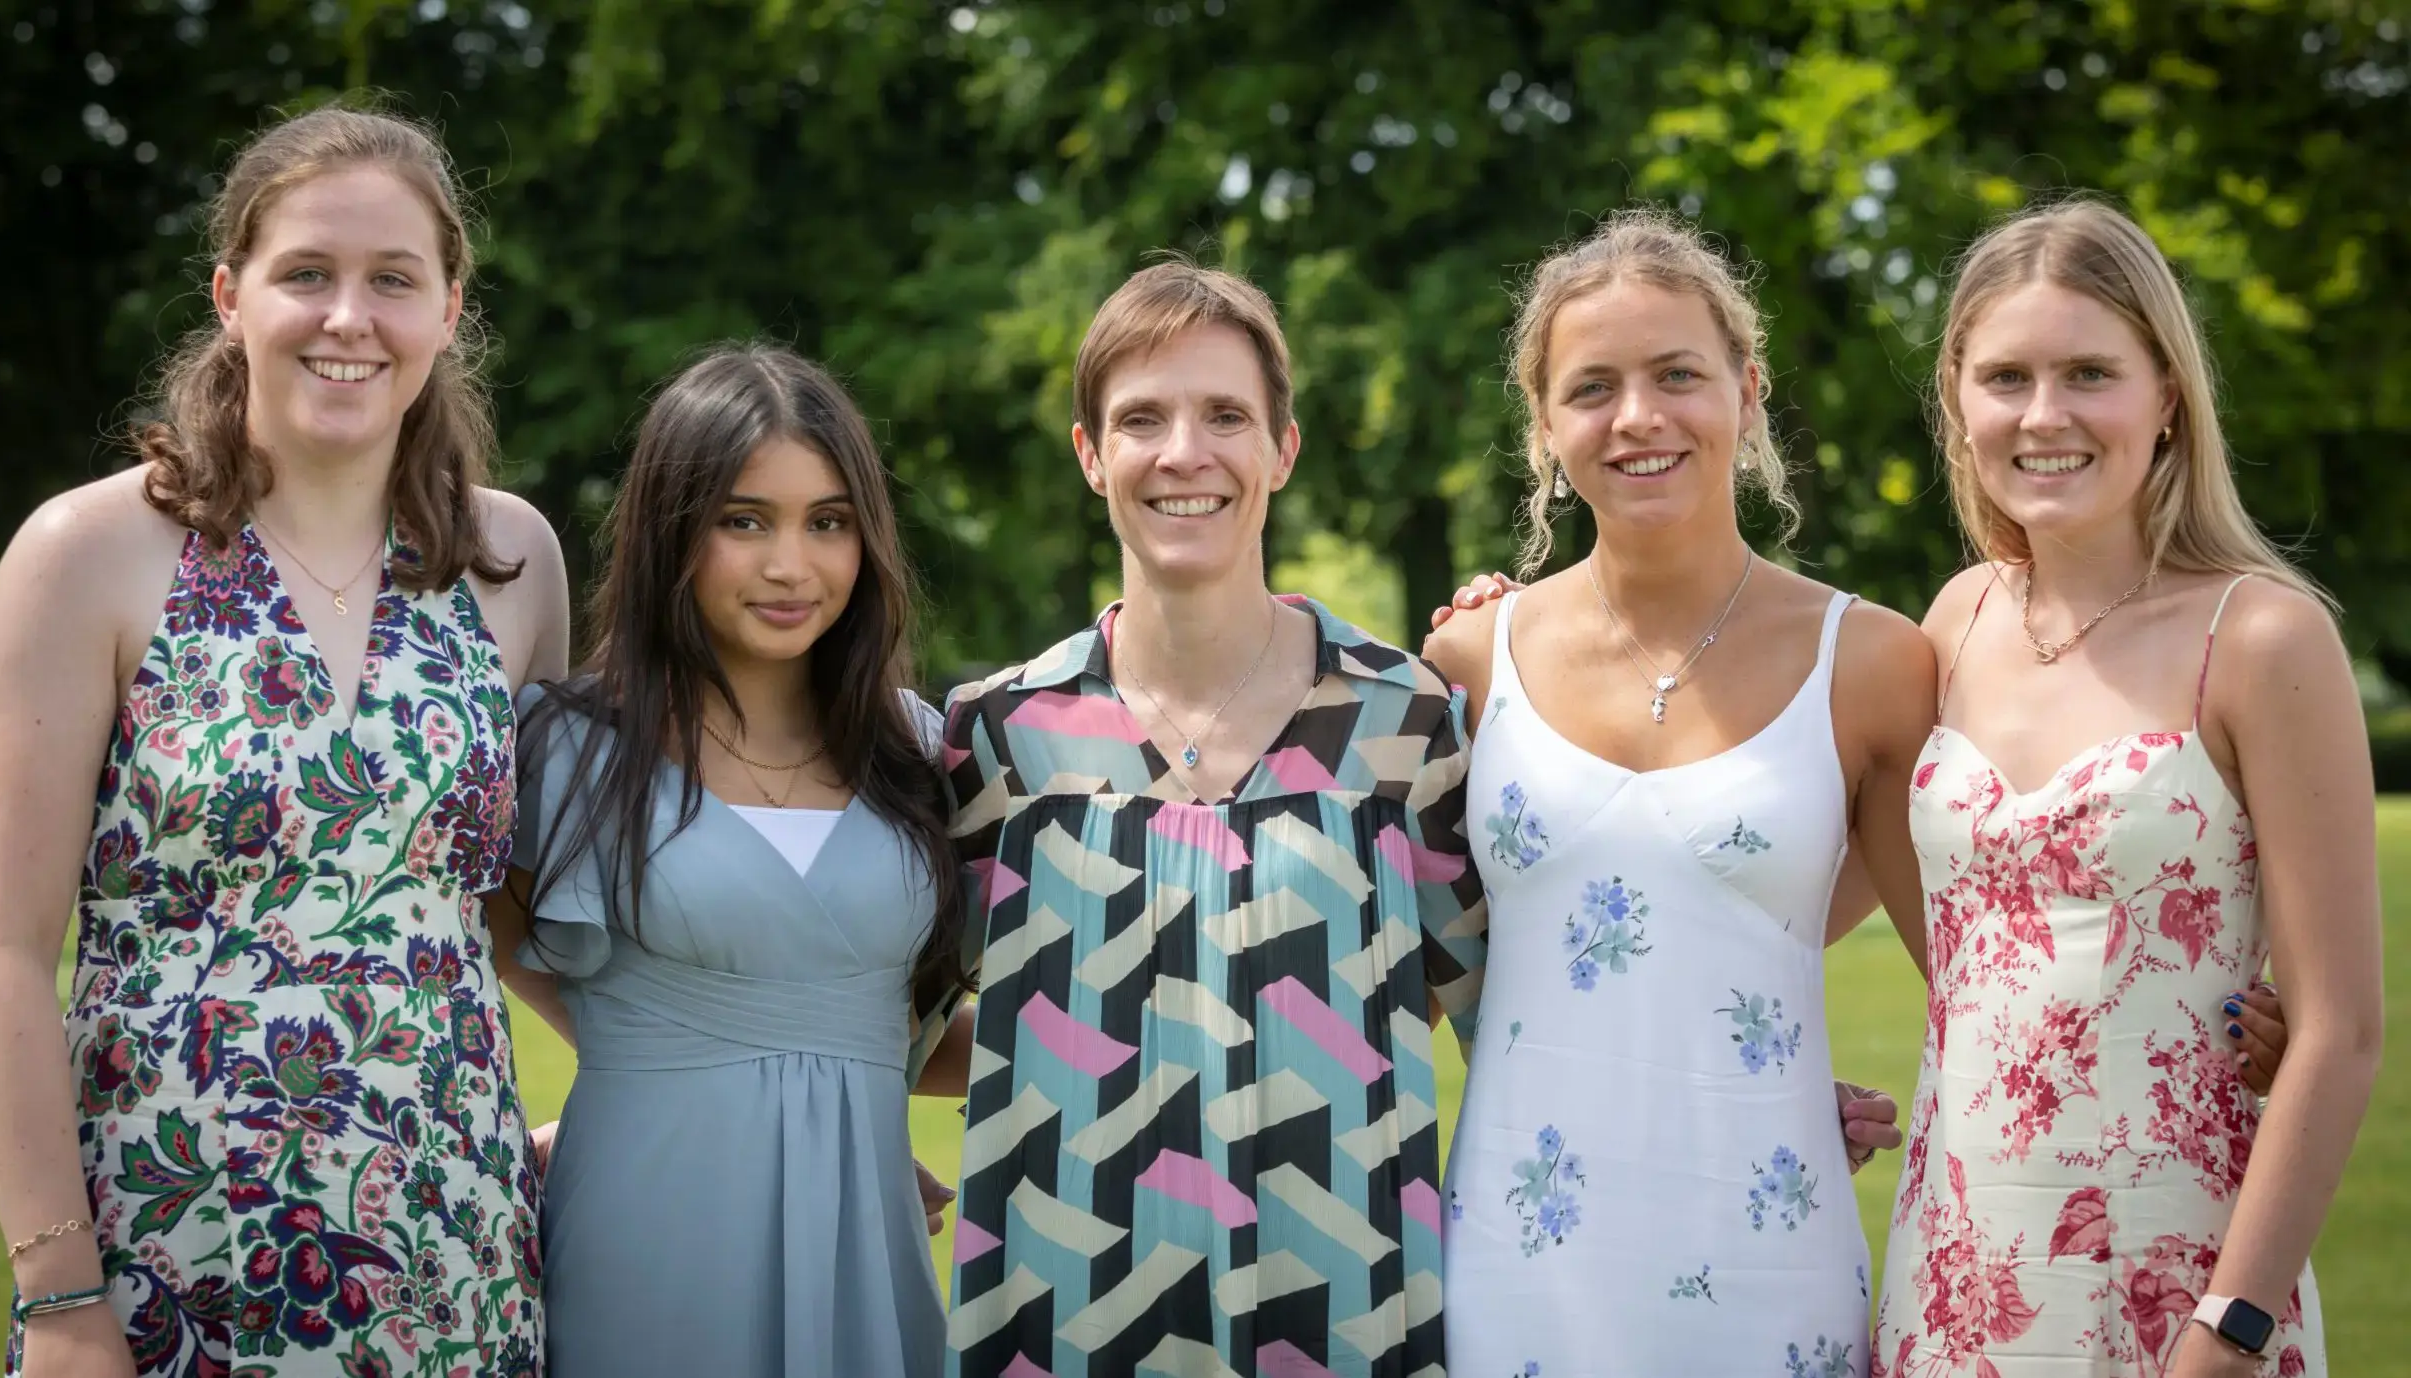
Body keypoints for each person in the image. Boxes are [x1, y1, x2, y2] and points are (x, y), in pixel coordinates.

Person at [0, 105, 569, 1377]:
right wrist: (59, 1299)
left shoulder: (512, 564)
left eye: (393, 279)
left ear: (449, 308)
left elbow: (526, 921)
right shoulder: (90, 554)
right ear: (232, 296)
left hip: (456, 1260)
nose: (350, 318)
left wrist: (750, 1106)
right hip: (169, 1269)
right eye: (307, 274)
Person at [934, 261, 1489, 1376]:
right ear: (1092, 456)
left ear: (1283, 448)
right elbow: (874, 1016)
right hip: (1067, 1312)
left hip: (1340, 1309)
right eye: (1142, 418)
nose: (1184, 451)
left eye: (1225, 414)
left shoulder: (1404, 722)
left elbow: (1503, 1017)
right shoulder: (999, 737)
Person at [1421, 209, 1938, 1378]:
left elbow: (1977, 974)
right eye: (1591, 387)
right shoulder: (1463, 666)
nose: (1637, 417)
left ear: (1747, 392)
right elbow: (1401, 968)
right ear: (1544, 427)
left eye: (1677, 375)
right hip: (1520, 1261)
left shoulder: (1871, 663)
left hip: (1766, 1249)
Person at [1870, 200, 2380, 1378]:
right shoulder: (1955, 620)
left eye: (2088, 372)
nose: (2043, 415)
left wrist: (2230, 1327)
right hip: (1951, 1271)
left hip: (2179, 1279)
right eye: (2006, 376)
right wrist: (1516, 630)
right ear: (1957, 395)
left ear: (2165, 393)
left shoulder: (2259, 635)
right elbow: (1750, 841)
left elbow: (2341, 1029)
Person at [488, 345, 975, 1378]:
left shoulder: (923, 752)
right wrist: (655, 1046)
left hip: (865, 1224)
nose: (791, 565)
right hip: (646, 1211)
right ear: (673, 531)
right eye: (743, 520)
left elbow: (919, 1017)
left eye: (827, 521)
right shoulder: (572, 747)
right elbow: (486, 933)